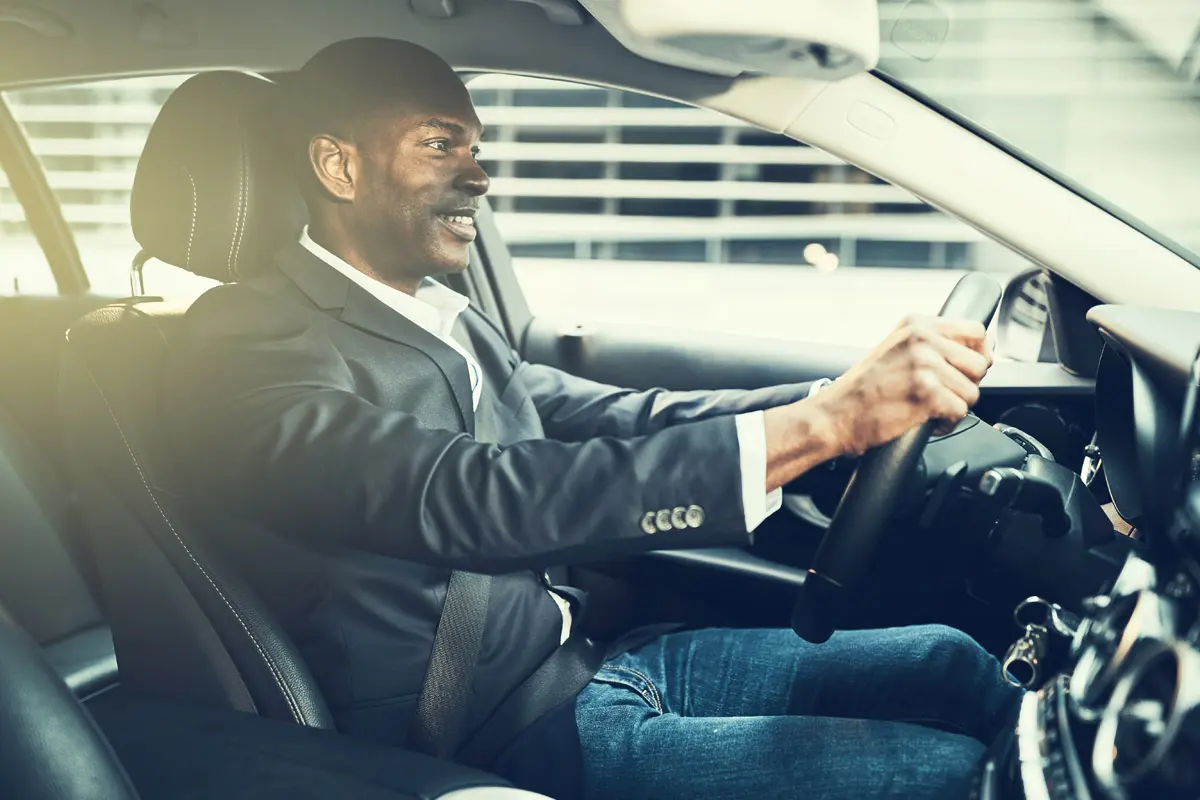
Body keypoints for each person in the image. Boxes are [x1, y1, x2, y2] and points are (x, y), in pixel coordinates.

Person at [162, 37, 1021, 800]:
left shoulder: (436, 310)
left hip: (593, 664)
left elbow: (606, 415)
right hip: (492, 739)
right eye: (439, 144)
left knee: (951, 662)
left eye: (477, 147)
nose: (480, 175)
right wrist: (820, 429)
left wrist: (840, 404)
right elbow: (462, 495)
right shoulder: (239, 347)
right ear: (338, 167)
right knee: (952, 780)